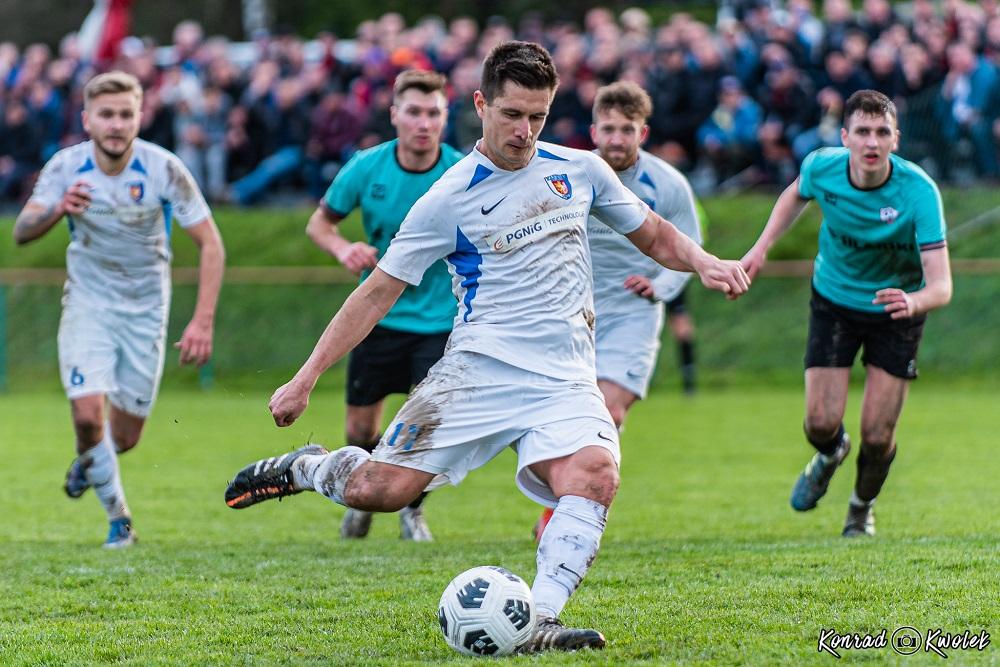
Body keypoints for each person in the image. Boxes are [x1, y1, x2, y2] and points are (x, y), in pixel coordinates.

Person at [224, 41, 748, 652]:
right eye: (512, 115)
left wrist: (704, 262)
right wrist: (306, 377)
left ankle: (539, 620)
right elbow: (375, 295)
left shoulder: (580, 170)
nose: (525, 131)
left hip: (565, 377)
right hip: (477, 374)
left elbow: (654, 233)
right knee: (381, 492)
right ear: (480, 104)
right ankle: (308, 467)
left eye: (538, 116)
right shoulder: (448, 198)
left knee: (596, 474)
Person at [12, 71, 225, 548]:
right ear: (87, 120)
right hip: (87, 303)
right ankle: (120, 520)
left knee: (124, 438)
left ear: (139, 117)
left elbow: (211, 243)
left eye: (125, 114)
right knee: (88, 417)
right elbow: (21, 231)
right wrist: (58, 208)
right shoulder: (67, 167)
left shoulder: (163, 168)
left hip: (147, 310)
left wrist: (202, 320)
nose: (116, 124)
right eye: (106, 114)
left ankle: (90, 461)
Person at [741, 90, 951, 537]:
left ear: (896, 139)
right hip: (835, 301)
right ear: (845, 137)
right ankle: (832, 452)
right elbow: (795, 193)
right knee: (820, 423)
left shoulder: (919, 192)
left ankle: (860, 509)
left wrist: (913, 302)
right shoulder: (822, 167)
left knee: (878, 435)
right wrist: (761, 248)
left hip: (898, 310)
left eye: (882, 132)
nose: (872, 142)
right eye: (862, 132)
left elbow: (942, 286)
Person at [532, 80, 703, 541]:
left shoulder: (667, 184)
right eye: (608, 129)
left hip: (633, 311)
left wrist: (660, 285)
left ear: (642, 133)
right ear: (593, 131)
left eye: (627, 130)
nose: (617, 139)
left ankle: (563, 511)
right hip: (571, 313)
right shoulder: (569, 176)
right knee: (562, 416)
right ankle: (571, 496)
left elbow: (689, 246)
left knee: (610, 411)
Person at [304, 70, 464, 541]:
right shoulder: (367, 166)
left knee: (425, 423)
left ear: (445, 117)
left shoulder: (460, 172)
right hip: (378, 317)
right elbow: (319, 224)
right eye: (413, 112)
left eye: (433, 113)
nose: (423, 123)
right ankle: (363, 499)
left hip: (439, 320)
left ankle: (412, 509)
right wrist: (343, 248)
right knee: (359, 428)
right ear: (394, 115)